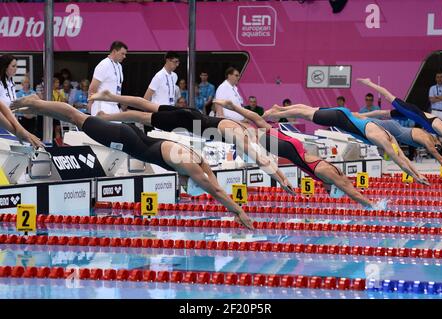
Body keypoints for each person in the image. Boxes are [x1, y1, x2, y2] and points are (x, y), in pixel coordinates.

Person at [11, 94, 253, 230]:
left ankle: (39, 106)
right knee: (77, 116)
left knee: (77, 119)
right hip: (126, 141)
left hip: (135, 137)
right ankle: (36, 102)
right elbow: (217, 190)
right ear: (192, 180)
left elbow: (213, 180)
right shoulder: (191, 168)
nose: (180, 185)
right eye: (184, 185)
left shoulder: (198, 162)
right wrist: (239, 212)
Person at [88, 90, 295, 194]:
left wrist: (282, 177)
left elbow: (257, 125)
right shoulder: (243, 140)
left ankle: (110, 96)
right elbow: (262, 161)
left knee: (148, 105)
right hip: (190, 122)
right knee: (142, 117)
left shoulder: (246, 128)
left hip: (193, 115)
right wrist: (281, 181)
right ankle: (105, 117)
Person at [214, 99, 387, 210]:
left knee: (256, 126)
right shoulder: (327, 175)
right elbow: (351, 191)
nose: (325, 191)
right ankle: (232, 110)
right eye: (329, 191)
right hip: (290, 150)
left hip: (294, 148)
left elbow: (348, 186)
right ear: (332, 187)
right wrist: (371, 205)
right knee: (254, 130)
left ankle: (239, 110)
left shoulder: (329, 174)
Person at [263, 103, 430, 185]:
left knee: (308, 109)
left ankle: (279, 109)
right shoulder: (384, 140)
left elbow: (402, 158)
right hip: (340, 119)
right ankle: (276, 114)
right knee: (305, 114)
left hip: (344, 114)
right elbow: (400, 161)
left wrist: (418, 173)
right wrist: (416, 176)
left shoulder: (389, 136)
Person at [357, 78, 442, 143]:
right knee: (388, 96)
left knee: (385, 113)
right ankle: (369, 82)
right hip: (412, 111)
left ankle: (360, 115)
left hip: (410, 116)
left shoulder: (440, 131)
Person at [355, 114, 442, 169]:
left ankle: (351, 115)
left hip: (397, 129)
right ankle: (348, 114)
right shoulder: (430, 143)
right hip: (395, 129)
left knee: (365, 120)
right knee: (364, 120)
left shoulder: (433, 139)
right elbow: (441, 159)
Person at [88, 41, 128, 115]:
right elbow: (93, 87)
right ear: (114, 51)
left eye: (125, 54)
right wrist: (90, 104)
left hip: (115, 105)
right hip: (102, 104)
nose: (124, 56)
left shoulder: (119, 66)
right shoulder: (103, 64)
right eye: (122, 53)